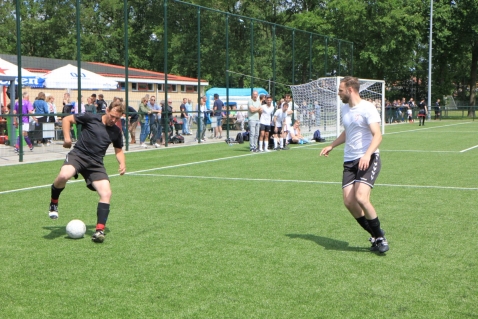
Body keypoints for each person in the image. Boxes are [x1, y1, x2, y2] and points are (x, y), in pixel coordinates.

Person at [319, 76, 389, 253]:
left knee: (361, 198)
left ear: (350, 90)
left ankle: (380, 238)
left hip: (368, 158)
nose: (338, 94)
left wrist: (367, 155)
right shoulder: (345, 108)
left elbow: (378, 135)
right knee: (349, 202)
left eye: (340, 90)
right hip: (349, 161)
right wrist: (332, 145)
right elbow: (348, 132)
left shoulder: (368, 108)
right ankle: (376, 234)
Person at [48, 100, 126, 243]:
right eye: (112, 116)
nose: (114, 120)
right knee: (64, 175)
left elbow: (119, 150)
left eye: (117, 118)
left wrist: (122, 163)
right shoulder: (91, 117)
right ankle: (54, 202)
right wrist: (67, 138)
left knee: (106, 193)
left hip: (95, 164)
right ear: (107, 110)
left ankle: (99, 231)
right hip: (78, 156)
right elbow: (67, 119)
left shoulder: (116, 131)